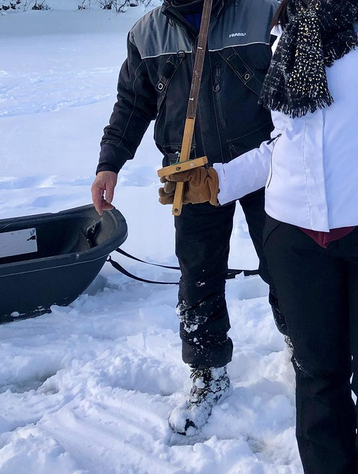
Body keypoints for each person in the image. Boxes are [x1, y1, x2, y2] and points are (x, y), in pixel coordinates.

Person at [175, 0, 358, 474]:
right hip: (295, 239)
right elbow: (285, 141)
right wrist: (218, 181)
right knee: (318, 391)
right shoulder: (287, 33)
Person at [89, 0, 288, 437]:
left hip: (264, 167)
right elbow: (132, 104)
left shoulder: (262, 11)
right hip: (191, 174)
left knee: (287, 265)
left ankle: (305, 347)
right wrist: (110, 163)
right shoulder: (147, 34)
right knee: (198, 276)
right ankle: (208, 371)